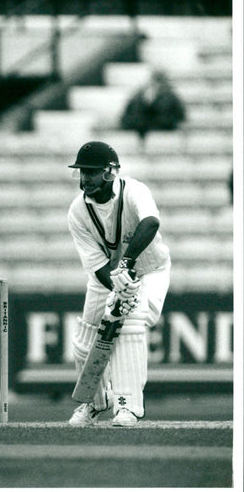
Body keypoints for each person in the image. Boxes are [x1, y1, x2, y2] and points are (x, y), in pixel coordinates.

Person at [66, 141, 171, 427]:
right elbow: (97, 266)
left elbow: (150, 223)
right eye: (82, 172)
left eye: (92, 172)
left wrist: (126, 266)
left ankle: (128, 406)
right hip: (108, 277)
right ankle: (96, 402)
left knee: (131, 320)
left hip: (150, 270)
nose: (85, 178)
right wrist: (118, 285)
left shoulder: (135, 190)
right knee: (83, 341)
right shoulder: (77, 211)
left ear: (110, 172)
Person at [120, 70, 186, 147]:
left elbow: (180, 117)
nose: (157, 85)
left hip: (164, 134)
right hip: (141, 131)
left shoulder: (172, 98)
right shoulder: (138, 97)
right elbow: (127, 118)